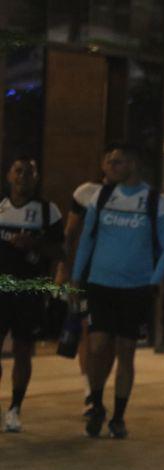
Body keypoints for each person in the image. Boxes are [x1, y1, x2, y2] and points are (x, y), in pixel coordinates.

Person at [71, 142, 164, 439]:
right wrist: (78, 278)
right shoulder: (102, 196)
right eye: (110, 162)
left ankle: (118, 415)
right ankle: (96, 404)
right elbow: (87, 240)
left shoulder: (155, 200)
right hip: (100, 284)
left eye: (117, 162)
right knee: (97, 346)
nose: (110, 167)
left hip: (136, 288)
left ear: (132, 164)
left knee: (126, 351)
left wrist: (154, 280)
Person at [0, 156, 64, 432]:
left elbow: (61, 253)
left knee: (23, 350)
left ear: (36, 178)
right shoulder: (0, 208)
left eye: (29, 172)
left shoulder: (49, 212)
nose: (23, 177)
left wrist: (33, 244)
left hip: (29, 290)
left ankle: (15, 408)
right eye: (18, 171)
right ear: (8, 176)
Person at [60, 148, 116, 417]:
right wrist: (65, 270)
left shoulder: (136, 196)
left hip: (120, 275)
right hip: (88, 274)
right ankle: (89, 391)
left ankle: (99, 388)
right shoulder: (86, 193)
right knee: (87, 330)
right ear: (103, 164)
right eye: (110, 160)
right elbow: (70, 235)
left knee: (111, 338)